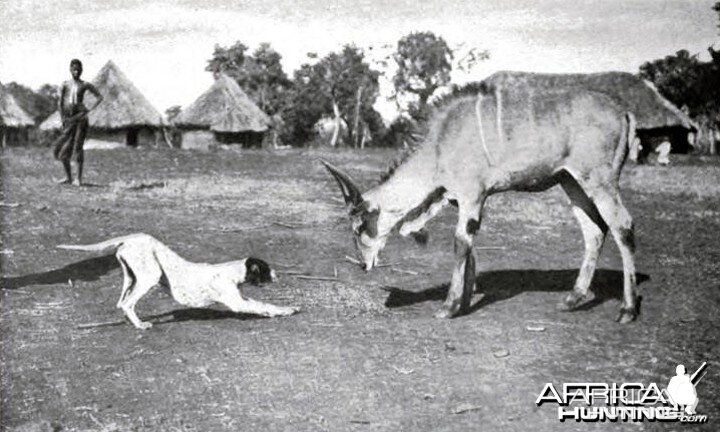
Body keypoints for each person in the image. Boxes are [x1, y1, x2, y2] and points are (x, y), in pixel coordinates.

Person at [52, 59, 103, 186]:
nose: (77, 71)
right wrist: (62, 118)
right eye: (74, 69)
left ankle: (78, 179)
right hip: (69, 120)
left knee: (78, 148)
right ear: (70, 69)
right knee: (63, 152)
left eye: (79, 69)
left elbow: (99, 97)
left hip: (81, 119)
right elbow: (60, 103)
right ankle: (69, 178)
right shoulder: (65, 84)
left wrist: (88, 110)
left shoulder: (85, 84)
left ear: (82, 70)